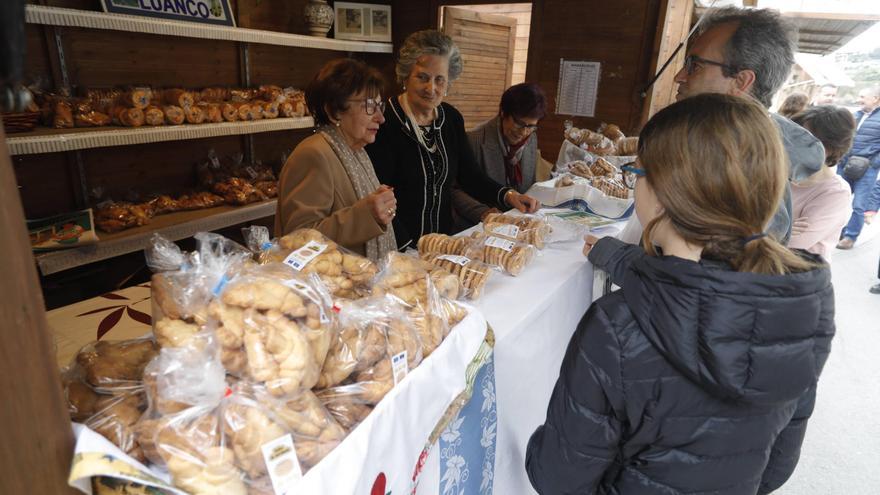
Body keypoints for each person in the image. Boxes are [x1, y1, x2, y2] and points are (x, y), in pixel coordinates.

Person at [526, 93, 834, 495]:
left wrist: (535, 440)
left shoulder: (618, 326)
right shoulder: (804, 305)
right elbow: (777, 467)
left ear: (662, 190)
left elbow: (560, 478)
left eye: (637, 173)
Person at [366, 30, 539, 250]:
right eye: (422, 77)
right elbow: (377, 193)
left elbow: (470, 176)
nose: (431, 88)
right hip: (397, 245)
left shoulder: (451, 119)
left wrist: (509, 195)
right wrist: (406, 248)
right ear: (406, 75)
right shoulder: (385, 121)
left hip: (443, 241)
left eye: (440, 80)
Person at [671, 6, 824, 245]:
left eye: (695, 65)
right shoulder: (723, 146)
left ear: (741, 81)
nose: (679, 76)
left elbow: (722, 274)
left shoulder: (747, 171)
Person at [275, 58, 397, 260]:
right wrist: (368, 214)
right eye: (369, 106)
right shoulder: (313, 154)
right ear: (334, 111)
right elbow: (297, 240)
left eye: (379, 106)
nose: (380, 117)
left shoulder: (356, 151)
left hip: (354, 281)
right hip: (326, 285)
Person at [451, 82, 547, 227]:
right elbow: (454, 190)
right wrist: (483, 212)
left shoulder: (531, 138)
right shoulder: (474, 140)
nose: (523, 132)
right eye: (519, 123)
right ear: (503, 112)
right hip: (479, 225)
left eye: (531, 126)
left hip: (517, 222)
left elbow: (528, 185)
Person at [788, 106, 855, 258]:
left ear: (831, 147)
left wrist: (771, 229)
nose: (793, 144)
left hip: (795, 274)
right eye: (793, 136)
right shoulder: (780, 174)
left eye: (806, 140)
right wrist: (780, 229)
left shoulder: (836, 193)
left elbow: (795, 243)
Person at [836, 85, 880, 250]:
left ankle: (850, 237)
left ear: (875, 99)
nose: (858, 100)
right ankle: (837, 231)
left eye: (863, 97)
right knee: (838, 199)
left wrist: (874, 163)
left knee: (859, 205)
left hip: (867, 168)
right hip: (845, 164)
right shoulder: (855, 115)